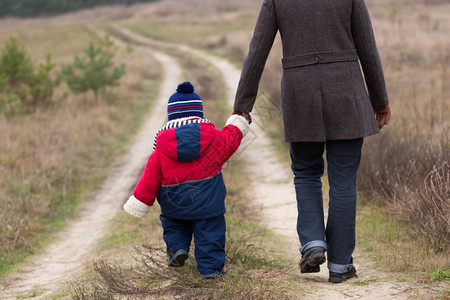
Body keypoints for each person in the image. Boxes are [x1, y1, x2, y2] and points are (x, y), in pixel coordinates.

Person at [233, 0, 391, 283]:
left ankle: (313, 242)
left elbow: (257, 50)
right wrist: (379, 100)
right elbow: (368, 47)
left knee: (306, 173)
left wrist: (243, 104)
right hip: (346, 94)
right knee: (343, 181)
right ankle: (341, 265)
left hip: (300, 94)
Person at [124, 82, 250, 279]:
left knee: (173, 223)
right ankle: (211, 270)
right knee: (210, 233)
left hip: (175, 203)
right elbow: (231, 138)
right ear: (198, 113)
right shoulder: (215, 139)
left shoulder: (161, 150)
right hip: (208, 202)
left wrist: (141, 200)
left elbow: (150, 177)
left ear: (171, 116)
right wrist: (238, 121)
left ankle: (177, 249)